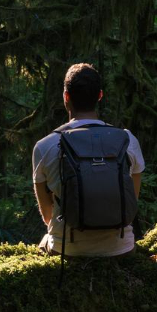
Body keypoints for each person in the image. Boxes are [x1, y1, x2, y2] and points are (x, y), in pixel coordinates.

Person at [31, 62, 144, 257]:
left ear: (66, 97)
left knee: (44, 241)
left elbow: (48, 217)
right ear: (100, 96)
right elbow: (131, 200)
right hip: (121, 249)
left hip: (66, 249)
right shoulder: (127, 140)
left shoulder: (44, 146)